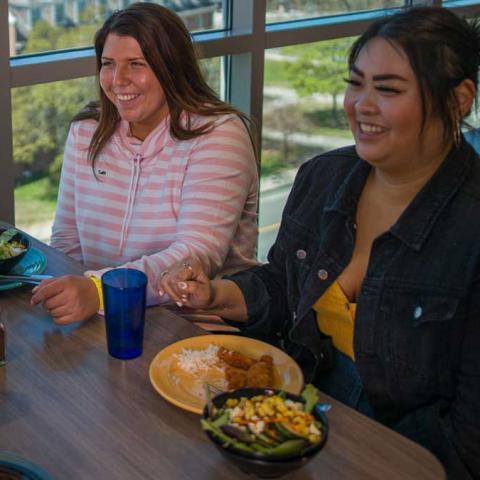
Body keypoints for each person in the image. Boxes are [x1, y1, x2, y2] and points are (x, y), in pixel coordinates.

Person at [160, 7, 480, 479]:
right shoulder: (324, 177)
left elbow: (468, 437)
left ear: (459, 100)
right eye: (356, 83)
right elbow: (283, 286)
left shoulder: (469, 227)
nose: (361, 105)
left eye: (388, 89)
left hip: (402, 453)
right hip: (296, 419)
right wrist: (217, 294)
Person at [30, 3, 259, 324]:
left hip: (193, 324)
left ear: (172, 68)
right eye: (108, 64)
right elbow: (67, 240)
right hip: (101, 317)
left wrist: (98, 290)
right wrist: (68, 296)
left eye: (136, 64)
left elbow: (196, 254)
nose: (118, 80)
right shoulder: (86, 130)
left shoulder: (219, 133)